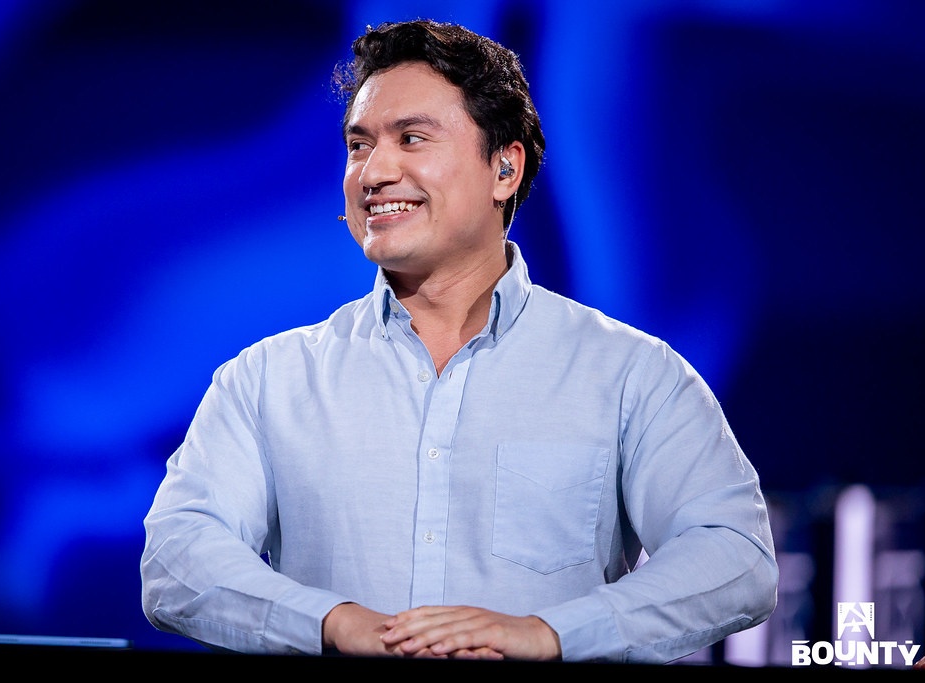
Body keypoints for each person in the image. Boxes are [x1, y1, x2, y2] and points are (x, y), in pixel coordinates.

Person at [140, 19, 778, 662]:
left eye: (411, 138)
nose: (373, 172)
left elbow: (735, 556)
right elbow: (177, 556)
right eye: (359, 145)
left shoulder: (630, 373)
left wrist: (550, 633)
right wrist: (332, 621)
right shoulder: (269, 379)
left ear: (504, 168)